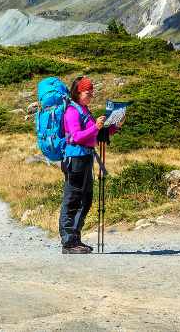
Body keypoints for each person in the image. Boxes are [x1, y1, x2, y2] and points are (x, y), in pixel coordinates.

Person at [59, 76, 124, 254]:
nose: (91, 96)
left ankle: (75, 239)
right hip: (75, 160)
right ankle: (68, 243)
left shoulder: (84, 110)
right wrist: (96, 126)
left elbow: (95, 135)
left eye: (92, 93)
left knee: (85, 201)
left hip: (86, 160)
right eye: (88, 93)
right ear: (78, 92)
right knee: (72, 201)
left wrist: (115, 126)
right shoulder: (72, 111)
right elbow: (78, 136)